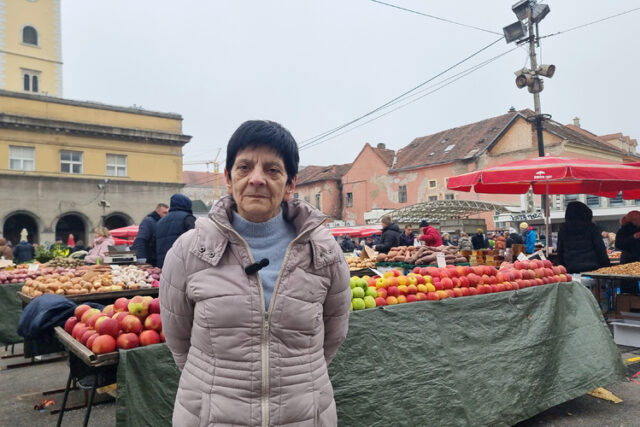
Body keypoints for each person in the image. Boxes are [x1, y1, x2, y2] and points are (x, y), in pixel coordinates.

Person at [160, 120, 350, 426]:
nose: (257, 179)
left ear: (290, 184)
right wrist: (213, 389)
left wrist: (298, 383)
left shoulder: (325, 253)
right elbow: (178, 337)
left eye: (272, 170)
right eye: (245, 167)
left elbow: (334, 334)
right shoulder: (189, 251)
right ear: (229, 178)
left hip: (303, 416)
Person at [557, 201, 610, 274]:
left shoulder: (563, 229)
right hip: (592, 268)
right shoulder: (591, 227)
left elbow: (560, 250)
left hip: (571, 268)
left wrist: (562, 267)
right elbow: (600, 248)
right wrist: (606, 266)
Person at [155, 194, 196, 268]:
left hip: (163, 264)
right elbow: (197, 240)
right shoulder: (188, 218)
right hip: (183, 263)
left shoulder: (160, 222)